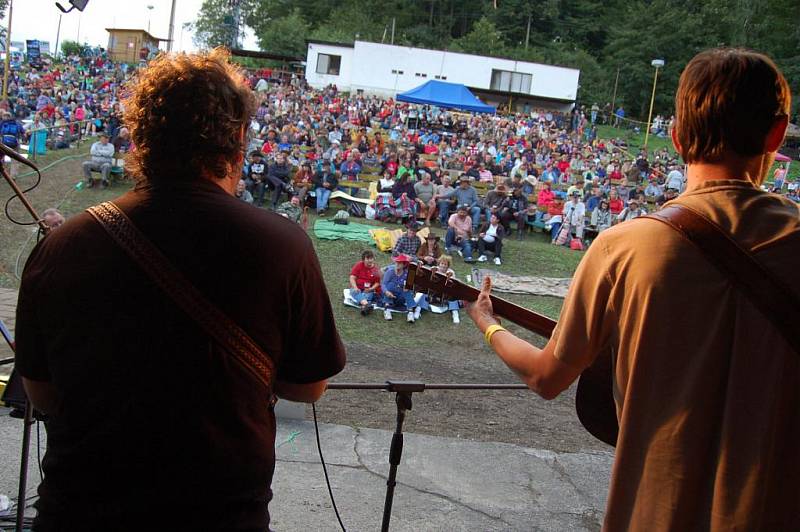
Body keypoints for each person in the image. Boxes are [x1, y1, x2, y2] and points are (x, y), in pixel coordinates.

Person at [466, 48, 799, 530]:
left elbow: (547, 376)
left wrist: (488, 323)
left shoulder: (622, 248)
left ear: (678, 137)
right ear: (776, 133)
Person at [15, 50, 346, 530]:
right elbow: (308, 386)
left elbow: (42, 393)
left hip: (78, 511)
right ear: (236, 139)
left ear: (139, 136)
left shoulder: (64, 245)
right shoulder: (281, 245)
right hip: (218, 516)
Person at [417, 254, 462, 324]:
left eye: (445, 264)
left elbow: (454, 284)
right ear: (439, 263)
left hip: (445, 294)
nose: (443, 266)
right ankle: (418, 310)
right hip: (434, 293)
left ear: (448, 265)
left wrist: (450, 277)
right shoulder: (434, 269)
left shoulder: (451, 272)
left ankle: (455, 314)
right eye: (442, 263)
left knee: (453, 297)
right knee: (424, 293)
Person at [381, 254, 419, 323]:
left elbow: (412, 287)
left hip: (400, 296)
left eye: (400, 263)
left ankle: (410, 313)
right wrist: (386, 292)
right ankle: (387, 309)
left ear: (404, 265)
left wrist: (408, 287)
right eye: (397, 262)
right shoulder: (390, 271)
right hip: (389, 294)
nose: (397, 264)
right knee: (390, 285)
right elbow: (383, 284)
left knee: (407, 291)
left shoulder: (408, 274)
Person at [349, 249, 381, 315]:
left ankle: (364, 306)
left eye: (371, 258)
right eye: (368, 258)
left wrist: (371, 289)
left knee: (368, 295)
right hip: (358, 287)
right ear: (363, 260)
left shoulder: (375, 269)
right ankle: (367, 304)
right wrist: (355, 287)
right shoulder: (359, 265)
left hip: (368, 290)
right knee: (354, 291)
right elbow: (352, 277)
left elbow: (377, 283)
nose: (370, 260)